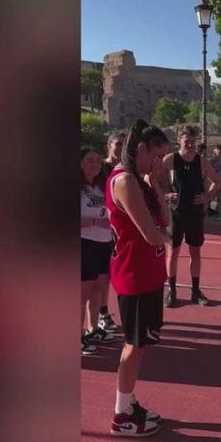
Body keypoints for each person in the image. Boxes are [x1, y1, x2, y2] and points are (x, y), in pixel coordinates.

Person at [105, 119, 171, 437]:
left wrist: (155, 182)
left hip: (150, 275)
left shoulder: (141, 180)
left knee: (141, 343)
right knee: (133, 345)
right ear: (142, 149)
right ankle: (121, 414)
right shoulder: (124, 181)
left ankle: (129, 403)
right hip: (134, 276)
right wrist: (167, 237)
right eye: (156, 156)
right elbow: (151, 233)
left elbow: (165, 219)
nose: (159, 163)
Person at [163, 127, 221, 307]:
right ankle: (172, 290)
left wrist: (207, 196)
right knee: (173, 252)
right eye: (186, 141)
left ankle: (195, 291)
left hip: (195, 214)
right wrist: (164, 195)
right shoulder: (171, 159)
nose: (190, 144)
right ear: (179, 142)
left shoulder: (201, 161)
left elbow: (216, 182)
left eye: (192, 141)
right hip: (175, 213)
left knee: (195, 252)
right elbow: (150, 179)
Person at [81, 149, 118, 356]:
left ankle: (92, 329)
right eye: (89, 161)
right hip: (85, 244)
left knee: (99, 289)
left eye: (97, 161)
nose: (94, 164)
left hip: (105, 243)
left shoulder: (101, 187)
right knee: (82, 294)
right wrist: (96, 222)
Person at [96, 132, 126, 333]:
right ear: (109, 145)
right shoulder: (100, 169)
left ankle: (106, 312)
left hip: (117, 231)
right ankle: (101, 313)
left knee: (113, 274)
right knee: (100, 276)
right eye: (117, 144)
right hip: (98, 230)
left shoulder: (125, 171)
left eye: (123, 145)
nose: (120, 148)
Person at [208, 144, 221, 217]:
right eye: (218, 149)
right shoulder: (211, 160)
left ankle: (217, 210)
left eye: (220, 150)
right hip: (213, 181)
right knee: (211, 195)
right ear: (214, 150)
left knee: (219, 196)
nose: (219, 151)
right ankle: (208, 209)